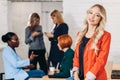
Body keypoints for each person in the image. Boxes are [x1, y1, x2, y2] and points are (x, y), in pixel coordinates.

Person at [67, 4, 111, 80]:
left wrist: (89, 77)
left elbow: (101, 60)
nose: (92, 17)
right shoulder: (80, 34)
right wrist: (75, 74)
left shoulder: (105, 35)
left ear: (100, 19)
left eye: (97, 15)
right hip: (79, 76)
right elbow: (76, 57)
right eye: (90, 13)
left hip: (95, 77)